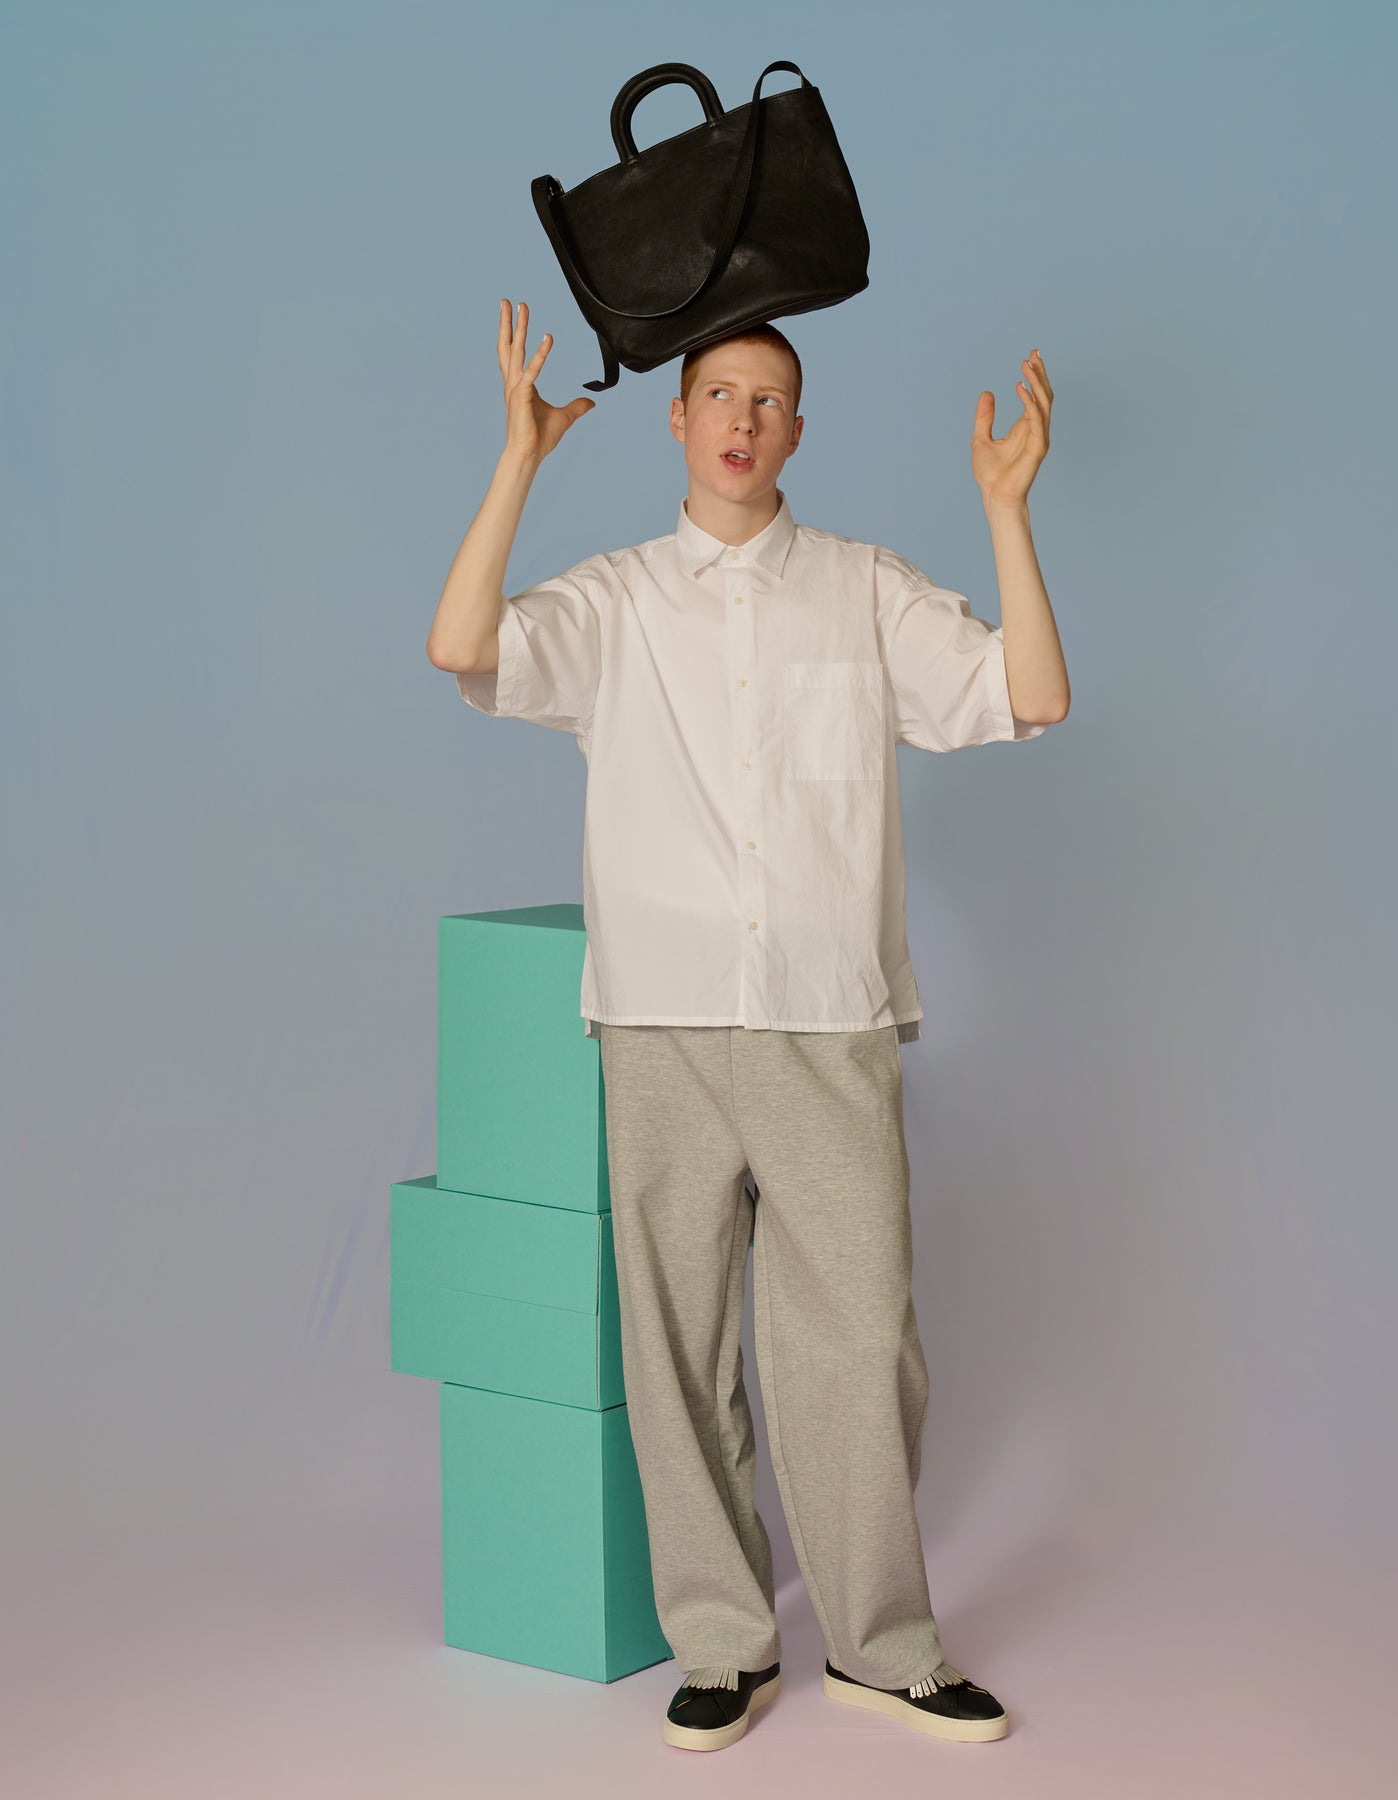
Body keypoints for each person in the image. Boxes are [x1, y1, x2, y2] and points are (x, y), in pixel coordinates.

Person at [427, 298, 1068, 1752]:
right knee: (678, 1350)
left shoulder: (862, 586)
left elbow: (1031, 694)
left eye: (769, 399)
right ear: (678, 418)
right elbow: (459, 641)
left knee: (862, 1344)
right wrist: (518, 459)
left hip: (826, 1025)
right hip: (658, 1021)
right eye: (719, 393)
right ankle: (722, 1645)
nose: (742, 418)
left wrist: (1006, 512)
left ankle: (883, 1649)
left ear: (797, 430)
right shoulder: (615, 601)